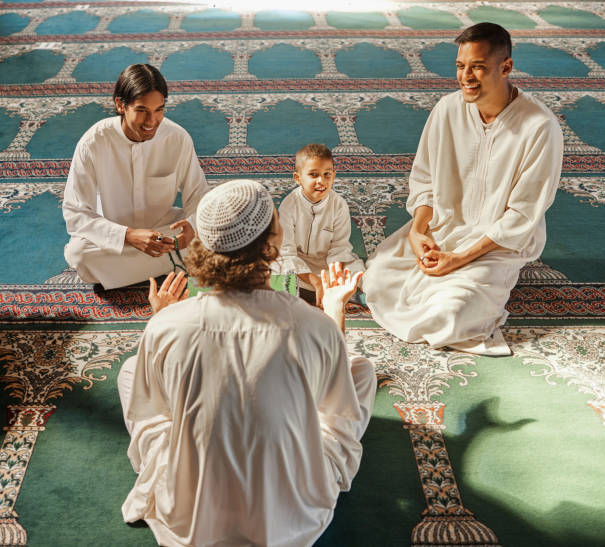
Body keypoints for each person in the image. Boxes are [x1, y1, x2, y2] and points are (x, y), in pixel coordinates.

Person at [117, 179, 376, 547]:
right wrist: (333, 310)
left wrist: (159, 323)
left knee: (131, 371)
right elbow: (333, 407)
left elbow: (155, 405)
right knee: (360, 370)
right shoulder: (314, 326)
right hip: (288, 510)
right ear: (271, 245)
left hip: (192, 510)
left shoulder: (168, 325)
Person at [362, 23, 563, 355]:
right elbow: (424, 179)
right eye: (461, 66)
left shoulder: (539, 127)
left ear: (506, 67)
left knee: (450, 315)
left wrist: (459, 259)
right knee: (377, 277)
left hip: (498, 245)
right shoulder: (448, 109)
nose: (466, 76)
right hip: (444, 227)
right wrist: (418, 230)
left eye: (478, 67)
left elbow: (523, 214)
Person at [62, 64, 208, 289]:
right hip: (115, 236)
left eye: (159, 110)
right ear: (120, 105)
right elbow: (76, 214)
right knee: (79, 255)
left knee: (216, 230)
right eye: (142, 111)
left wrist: (191, 228)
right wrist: (128, 236)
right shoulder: (93, 143)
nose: (151, 122)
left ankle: (156, 262)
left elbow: (199, 195)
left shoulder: (177, 138)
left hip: (164, 232)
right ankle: (182, 260)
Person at [278, 143, 365, 307]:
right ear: (298, 178)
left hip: (330, 264)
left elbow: (339, 248)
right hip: (299, 264)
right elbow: (287, 252)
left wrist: (332, 279)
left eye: (327, 174)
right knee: (275, 272)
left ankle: (348, 294)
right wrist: (317, 283)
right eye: (313, 174)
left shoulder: (339, 205)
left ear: (334, 175)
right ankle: (320, 293)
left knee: (359, 273)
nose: (321, 181)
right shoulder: (289, 206)